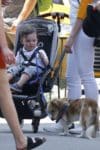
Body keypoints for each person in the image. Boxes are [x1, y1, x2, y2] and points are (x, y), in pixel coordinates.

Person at [44, 0, 100, 133]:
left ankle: (90, 123)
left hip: (84, 28)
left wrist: (71, 37)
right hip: (80, 27)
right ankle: (68, 120)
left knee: (86, 75)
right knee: (72, 76)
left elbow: (82, 11)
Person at [0, 1, 46, 149]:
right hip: (19, 67)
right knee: (3, 88)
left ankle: (21, 141)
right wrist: (5, 47)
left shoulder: (38, 51)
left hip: (31, 70)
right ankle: (21, 142)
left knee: (3, 88)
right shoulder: (21, 51)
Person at [7, 24, 49, 93]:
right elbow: (16, 63)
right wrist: (10, 66)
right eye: (28, 41)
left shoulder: (40, 51)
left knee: (29, 70)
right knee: (13, 69)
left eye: (34, 40)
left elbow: (47, 64)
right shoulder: (21, 51)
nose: (31, 43)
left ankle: (18, 85)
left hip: (35, 69)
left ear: (37, 40)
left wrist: (43, 58)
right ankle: (4, 82)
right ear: (22, 41)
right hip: (22, 67)